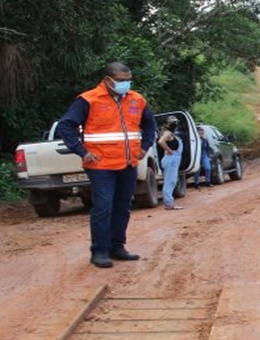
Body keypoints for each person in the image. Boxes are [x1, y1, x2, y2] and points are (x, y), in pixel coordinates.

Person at [57, 61, 157, 268]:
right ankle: (100, 251)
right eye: (121, 81)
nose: (126, 85)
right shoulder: (88, 99)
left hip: (128, 163)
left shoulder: (136, 99)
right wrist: (82, 151)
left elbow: (149, 124)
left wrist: (145, 147)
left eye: (128, 81)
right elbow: (66, 125)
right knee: (103, 207)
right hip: (101, 165)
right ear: (107, 80)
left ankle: (117, 247)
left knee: (122, 207)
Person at [158, 116, 184, 210]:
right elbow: (161, 142)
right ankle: (169, 203)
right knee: (170, 182)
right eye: (172, 122)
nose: (175, 124)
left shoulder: (169, 133)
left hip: (172, 159)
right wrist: (169, 150)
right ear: (167, 124)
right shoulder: (168, 133)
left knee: (171, 181)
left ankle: (169, 203)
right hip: (170, 159)